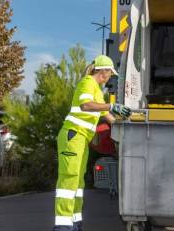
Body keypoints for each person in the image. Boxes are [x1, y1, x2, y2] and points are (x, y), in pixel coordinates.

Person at [53, 55, 131, 231]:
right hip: (73, 137)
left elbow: (106, 115)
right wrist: (111, 106)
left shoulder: (95, 88)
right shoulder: (87, 82)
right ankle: (62, 226)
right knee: (69, 181)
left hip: (81, 139)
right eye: (110, 73)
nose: (110, 77)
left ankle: (75, 222)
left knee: (78, 182)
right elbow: (86, 106)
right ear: (103, 71)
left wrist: (124, 126)